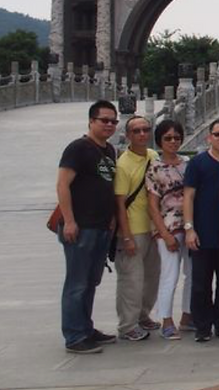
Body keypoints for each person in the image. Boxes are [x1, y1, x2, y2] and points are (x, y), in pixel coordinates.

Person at [57, 100, 119, 354]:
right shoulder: (78, 148)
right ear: (91, 121)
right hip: (81, 226)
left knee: (91, 281)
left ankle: (85, 328)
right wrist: (70, 221)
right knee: (77, 283)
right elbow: (62, 185)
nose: (109, 125)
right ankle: (74, 336)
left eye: (113, 121)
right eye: (104, 120)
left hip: (101, 226)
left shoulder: (110, 150)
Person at [184, 119, 219, 342]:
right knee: (200, 283)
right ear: (209, 137)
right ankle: (202, 326)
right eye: (217, 134)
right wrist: (189, 228)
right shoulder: (198, 163)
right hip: (202, 231)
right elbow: (188, 196)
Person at [113, 115, 161, 341]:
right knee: (131, 279)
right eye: (136, 131)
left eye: (145, 129)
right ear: (128, 135)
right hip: (132, 229)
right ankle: (127, 325)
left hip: (153, 228)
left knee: (151, 277)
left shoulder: (153, 156)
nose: (142, 134)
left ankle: (143, 315)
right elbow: (119, 203)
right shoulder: (123, 164)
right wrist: (126, 236)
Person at [146, 119, 193, 340]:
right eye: (168, 138)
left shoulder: (188, 163)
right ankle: (165, 319)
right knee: (170, 274)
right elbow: (152, 205)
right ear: (159, 141)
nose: (173, 141)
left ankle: (188, 315)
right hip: (169, 226)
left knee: (192, 272)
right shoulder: (155, 167)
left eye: (176, 137)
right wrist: (164, 234)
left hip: (191, 224)